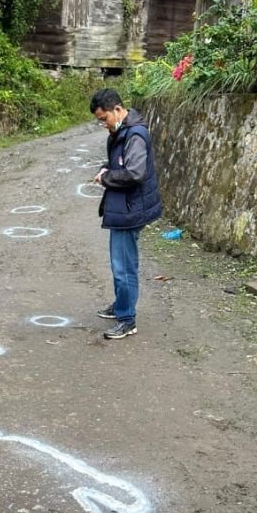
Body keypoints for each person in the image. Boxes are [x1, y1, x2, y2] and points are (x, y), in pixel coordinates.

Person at [90, 88, 162, 339]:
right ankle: (121, 304)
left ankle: (127, 319)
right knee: (121, 262)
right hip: (124, 206)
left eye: (104, 118)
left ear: (118, 110)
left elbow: (134, 173)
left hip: (130, 210)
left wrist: (106, 177)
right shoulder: (120, 132)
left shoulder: (135, 135)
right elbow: (119, 162)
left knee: (123, 266)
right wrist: (106, 168)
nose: (104, 124)